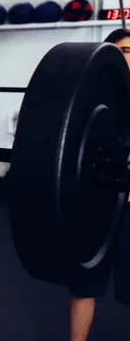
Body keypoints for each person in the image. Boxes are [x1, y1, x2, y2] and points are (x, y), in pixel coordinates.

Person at [68, 28, 130, 341]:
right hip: (97, 206)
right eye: (124, 50)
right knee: (84, 288)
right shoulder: (91, 97)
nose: (129, 57)